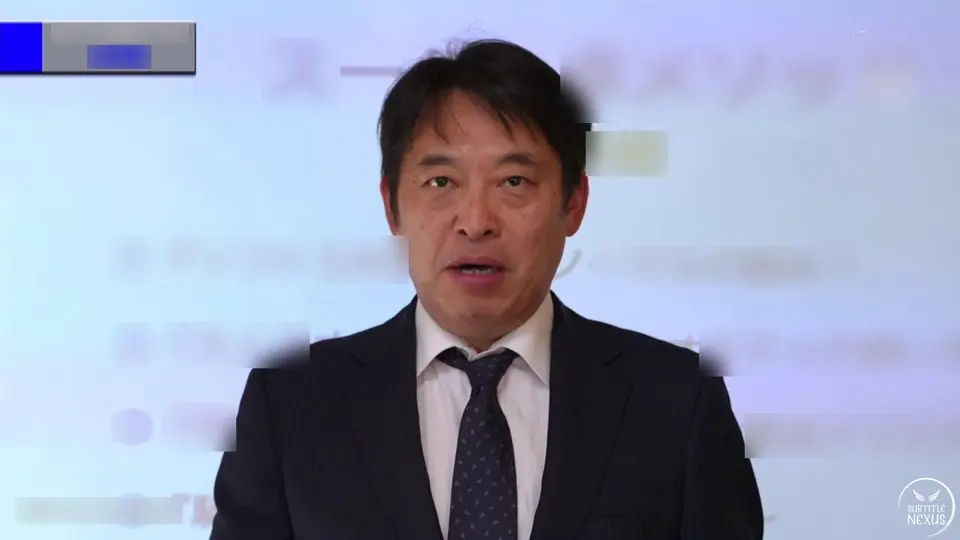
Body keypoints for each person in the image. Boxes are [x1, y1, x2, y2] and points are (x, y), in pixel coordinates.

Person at [209, 39, 764, 540]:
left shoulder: (675, 403)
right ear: (391, 206)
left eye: (514, 182)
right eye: (441, 182)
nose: (475, 222)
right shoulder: (291, 407)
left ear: (574, 203)